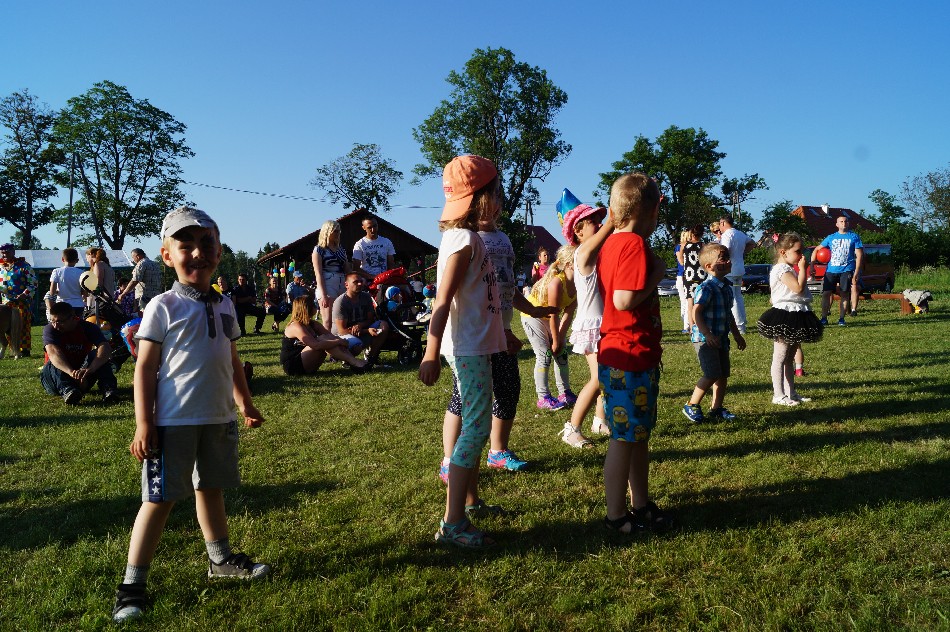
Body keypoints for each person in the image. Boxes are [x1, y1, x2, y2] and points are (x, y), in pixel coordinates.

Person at [111, 206, 269, 623]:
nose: (198, 252)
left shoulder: (226, 305)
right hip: (172, 423)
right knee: (158, 500)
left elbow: (231, 359)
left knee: (211, 488)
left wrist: (244, 402)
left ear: (219, 251)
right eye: (186, 246)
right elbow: (145, 368)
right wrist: (144, 423)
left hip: (218, 418)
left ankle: (221, 561)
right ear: (167, 256)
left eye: (206, 243)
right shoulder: (162, 306)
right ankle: (131, 587)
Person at [437, 187, 557, 480]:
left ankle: (497, 451)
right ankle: (449, 460)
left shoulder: (503, 239)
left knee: (507, 388)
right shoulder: (465, 239)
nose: (495, 204)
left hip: (499, 330)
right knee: (463, 397)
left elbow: (504, 284)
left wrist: (531, 309)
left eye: (498, 198)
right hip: (477, 334)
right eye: (491, 197)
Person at [419, 154, 506, 548]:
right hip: (467, 349)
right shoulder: (465, 240)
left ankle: (469, 501)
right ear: (481, 198)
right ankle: (452, 523)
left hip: (476, 344)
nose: (500, 201)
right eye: (497, 194)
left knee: (475, 421)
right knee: (476, 428)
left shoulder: (465, 238)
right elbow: (443, 301)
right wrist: (430, 352)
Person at [597, 173, 673, 534]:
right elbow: (623, 300)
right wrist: (657, 274)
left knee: (636, 436)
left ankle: (640, 505)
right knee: (624, 438)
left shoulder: (612, 243)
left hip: (630, 355)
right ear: (653, 210)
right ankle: (616, 516)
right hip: (628, 356)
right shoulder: (633, 246)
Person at [559, 189, 612, 448]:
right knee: (598, 377)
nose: (599, 224)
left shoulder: (594, 252)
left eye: (600, 220)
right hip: (591, 325)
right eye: (593, 221)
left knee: (606, 375)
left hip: (602, 322)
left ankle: (599, 420)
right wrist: (621, 209)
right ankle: (572, 428)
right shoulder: (582, 252)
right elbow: (612, 226)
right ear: (578, 231)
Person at [682, 243, 747, 423]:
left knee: (723, 374)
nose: (728, 261)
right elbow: (696, 313)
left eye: (728, 258)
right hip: (705, 339)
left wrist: (737, 335)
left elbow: (728, 314)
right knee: (711, 373)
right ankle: (692, 404)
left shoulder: (726, 287)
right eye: (723, 259)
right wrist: (707, 334)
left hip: (721, 338)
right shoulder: (707, 288)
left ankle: (716, 408)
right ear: (709, 266)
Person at [757, 233, 823, 406]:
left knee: (789, 357)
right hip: (785, 314)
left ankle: (790, 393)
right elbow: (798, 288)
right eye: (797, 251)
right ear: (783, 252)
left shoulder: (788, 268)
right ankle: (778, 395)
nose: (801, 255)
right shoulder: (782, 269)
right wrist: (803, 269)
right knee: (780, 356)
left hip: (796, 312)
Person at [521, 245, 577, 411]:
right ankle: (543, 397)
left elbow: (568, 314)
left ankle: (565, 393)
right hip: (533, 315)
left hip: (549, 316)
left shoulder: (578, 283)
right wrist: (555, 340)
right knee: (544, 354)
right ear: (569, 264)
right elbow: (554, 314)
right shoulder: (557, 283)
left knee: (561, 352)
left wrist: (560, 338)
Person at [40, 301, 118, 404]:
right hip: (56, 377)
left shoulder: (88, 327)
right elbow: (53, 353)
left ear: (73, 318)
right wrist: (71, 373)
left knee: (98, 354)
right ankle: (68, 390)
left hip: (81, 373)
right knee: (53, 362)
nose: (55, 326)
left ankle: (108, 389)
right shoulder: (49, 329)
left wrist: (90, 370)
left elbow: (105, 347)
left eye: (59, 322)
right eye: (52, 321)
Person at [281, 295, 368, 374]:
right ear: (307, 308)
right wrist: (339, 342)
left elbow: (331, 337)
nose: (316, 306)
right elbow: (315, 346)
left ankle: (353, 361)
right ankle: (354, 362)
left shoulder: (313, 324)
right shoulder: (296, 326)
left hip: (308, 362)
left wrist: (346, 344)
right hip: (294, 365)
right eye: (313, 304)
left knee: (327, 338)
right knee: (322, 339)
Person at [331, 272, 390, 367]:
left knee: (383, 326)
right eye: (355, 282)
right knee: (356, 346)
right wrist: (366, 331)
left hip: (361, 331)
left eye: (361, 281)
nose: (359, 284)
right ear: (346, 285)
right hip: (343, 336)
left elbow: (370, 320)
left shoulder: (366, 297)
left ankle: (371, 358)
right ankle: (346, 359)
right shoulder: (341, 302)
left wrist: (360, 325)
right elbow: (342, 330)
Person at [819, 215, 864, 327]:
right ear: (837, 224)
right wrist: (811, 264)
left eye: (846, 221)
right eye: (841, 221)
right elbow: (817, 249)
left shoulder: (854, 237)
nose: (844, 223)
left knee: (844, 293)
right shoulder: (831, 237)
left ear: (848, 223)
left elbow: (859, 255)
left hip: (846, 270)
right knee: (826, 293)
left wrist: (856, 272)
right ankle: (823, 318)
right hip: (831, 270)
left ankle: (841, 319)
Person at [718, 214, 755, 333]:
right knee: (738, 297)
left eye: (720, 224)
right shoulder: (740, 234)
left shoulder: (727, 235)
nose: (719, 227)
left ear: (723, 223)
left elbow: (725, 250)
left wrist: (720, 260)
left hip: (730, 271)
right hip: (739, 270)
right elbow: (752, 243)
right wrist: (742, 253)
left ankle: (737, 326)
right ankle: (741, 325)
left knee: (731, 298)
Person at [0, 243, 37, 357]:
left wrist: (24, 294)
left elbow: (33, 283)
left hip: (21, 302)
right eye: (2, 253)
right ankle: (13, 350)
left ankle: (24, 350)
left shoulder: (24, 266)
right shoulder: (1, 267)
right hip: (6, 302)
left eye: (7, 252)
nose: (4, 255)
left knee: (22, 325)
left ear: (13, 252)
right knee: (6, 327)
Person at [312, 220, 350, 327]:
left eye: (339, 231)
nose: (338, 233)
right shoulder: (319, 250)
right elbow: (318, 273)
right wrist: (324, 294)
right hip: (327, 283)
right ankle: (326, 337)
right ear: (327, 232)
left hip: (342, 282)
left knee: (342, 317)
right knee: (328, 320)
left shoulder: (340, 249)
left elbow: (347, 269)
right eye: (335, 231)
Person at [352, 216, 396, 282]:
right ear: (363, 228)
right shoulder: (359, 244)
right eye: (369, 227)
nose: (373, 230)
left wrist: (386, 277)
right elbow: (356, 268)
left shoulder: (387, 242)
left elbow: (391, 264)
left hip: (384, 280)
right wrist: (373, 277)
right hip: (367, 281)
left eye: (375, 226)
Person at [681, 224, 708, 332]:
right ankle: (702, 323)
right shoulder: (703, 246)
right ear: (702, 234)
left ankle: (692, 326)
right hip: (701, 276)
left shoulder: (684, 245)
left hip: (689, 276)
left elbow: (681, 260)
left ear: (691, 233)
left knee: (690, 303)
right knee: (702, 301)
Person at [47, 248, 85, 319]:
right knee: (77, 325)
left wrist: (58, 291)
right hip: (78, 304)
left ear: (62, 259)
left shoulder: (57, 271)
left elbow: (52, 292)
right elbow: (84, 293)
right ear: (77, 260)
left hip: (62, 305)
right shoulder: (81, 272)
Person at [84, 247, 116, 319]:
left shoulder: (98, 264)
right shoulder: (108, 266)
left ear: (91, 254)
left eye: (87, 258)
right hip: (109, 299)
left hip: (101, 301)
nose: (87, 260)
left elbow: (98, 284)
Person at [675, 230, 690, 333]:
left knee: (686, 301)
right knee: (686, 301)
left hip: (685, 276)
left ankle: (687, 323)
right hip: (683, 276)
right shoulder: (679, 247)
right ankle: (686, 325)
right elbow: (681, 261)